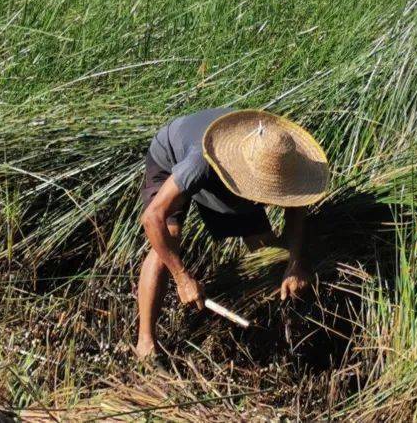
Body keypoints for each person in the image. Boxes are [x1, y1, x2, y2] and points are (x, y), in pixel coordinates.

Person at [136, 107, 330, 360]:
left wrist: (295, 264)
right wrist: (182, 277)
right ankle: (146, 344)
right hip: (172, 155)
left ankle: (267, 328)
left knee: (266, 250)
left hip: (231, 171)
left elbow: (296, 209)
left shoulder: (286, 157)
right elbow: (152, 218)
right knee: (168, 237)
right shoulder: (199, 164)